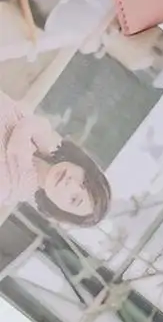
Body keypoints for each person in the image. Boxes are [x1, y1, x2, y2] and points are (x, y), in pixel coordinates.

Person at [0, 91, 111, 226]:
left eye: (73, 199)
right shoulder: (41, 135)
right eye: (84, 181)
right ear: (82, 165)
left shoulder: (7, 187)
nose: (71, 183)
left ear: (60, 210)